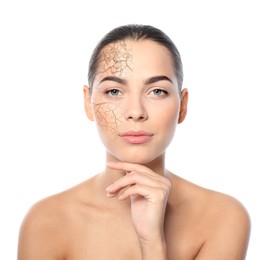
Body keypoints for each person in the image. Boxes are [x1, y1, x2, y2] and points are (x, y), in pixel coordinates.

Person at [17, 24, 250, 259]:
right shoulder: (46, 221)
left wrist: (152, 242)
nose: (136, 112)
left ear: (183, 106)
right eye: (114, 92)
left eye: (157, 91)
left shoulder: (222, 217)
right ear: (88, 103)